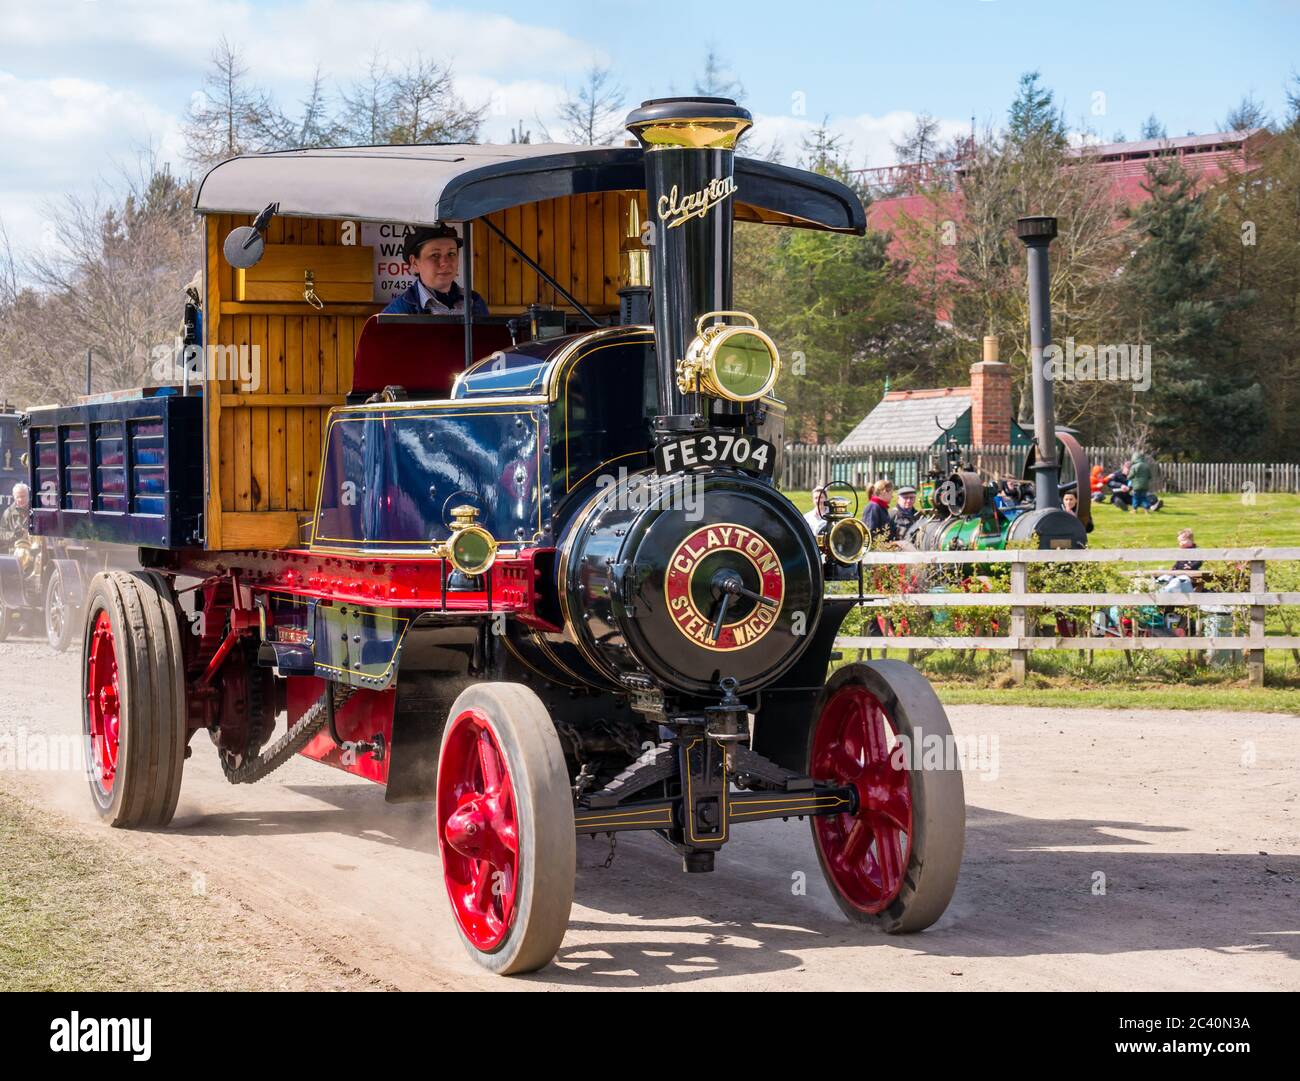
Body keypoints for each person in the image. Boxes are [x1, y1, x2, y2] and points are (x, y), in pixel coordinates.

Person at [382, 224, 490, 317]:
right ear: (414, 263)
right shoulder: (398, 312)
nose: (445, 262)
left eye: (451, 254)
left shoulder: (474, 302)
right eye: (435, 255)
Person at [861, 479, 896, 543]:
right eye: (891, 493)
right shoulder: (873, 507)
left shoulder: (881, 507)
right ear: (884, 492)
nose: (892, 496)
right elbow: (869, 533)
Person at [0, 482, 30, 548]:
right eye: (17, 497)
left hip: (33, 552)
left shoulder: (35, 511)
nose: (20, 499)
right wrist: (14, 535)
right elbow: (1, 534)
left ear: (28, 495)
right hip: (14, 552)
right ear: (14, 497)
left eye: (23, 496)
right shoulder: (8, 513)